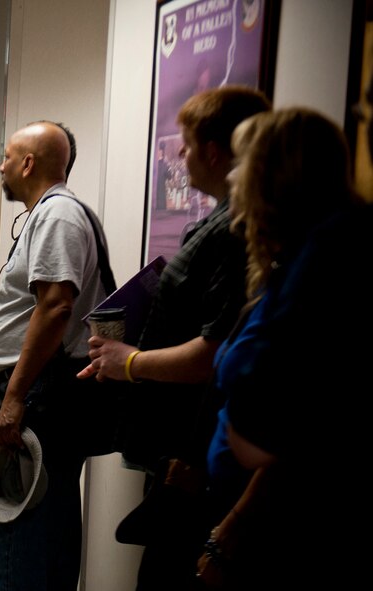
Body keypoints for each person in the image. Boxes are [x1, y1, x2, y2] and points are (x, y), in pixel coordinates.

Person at [77, 86, 271, 590]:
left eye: (184, 146)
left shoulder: (236, 231)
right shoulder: (215, 220)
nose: (178, 156)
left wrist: (132, 361)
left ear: (212, 150)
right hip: (178, 451)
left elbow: (213, 351)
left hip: (198, 457)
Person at [200, 104, 371, 590]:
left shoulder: (330, 253)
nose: (232, 176)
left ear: (275, 174)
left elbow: (309, 414)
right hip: (261, 516)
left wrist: (232, 529)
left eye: (242, 162)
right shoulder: (292, 256)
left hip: (291, 529)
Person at [0, 121, 109, 590]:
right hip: (37, 390)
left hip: (42, 403)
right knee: (43, 535)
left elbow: (57, 304)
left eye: (6, 156)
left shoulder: (58, 216)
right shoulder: (45, 216)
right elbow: (36, 309)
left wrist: (14, 393)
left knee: (13, 548)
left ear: (27, 163)